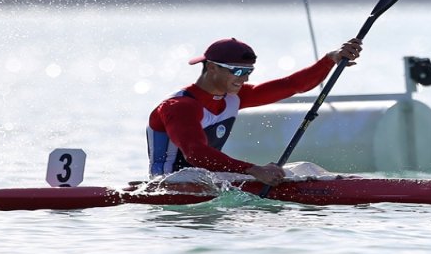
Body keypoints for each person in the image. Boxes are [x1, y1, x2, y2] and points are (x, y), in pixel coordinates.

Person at [146, 37, 363, 187]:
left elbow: (292, 85)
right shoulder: (180, 106)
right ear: (212, 67)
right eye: (238, 71)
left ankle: (358, 185)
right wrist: (253, 170)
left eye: (249, 71)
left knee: (306, 168)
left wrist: (330, 60)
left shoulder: (234, 97)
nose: (245, 78)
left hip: (209, 178)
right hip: (170, 183)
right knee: (273, 174)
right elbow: (196, 154)